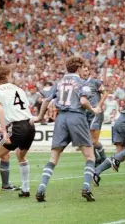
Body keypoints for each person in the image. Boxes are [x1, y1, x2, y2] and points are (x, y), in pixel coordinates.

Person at [33, 57, 101, 202]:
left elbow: (46, 100)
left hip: (61, 119)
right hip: (76, 117)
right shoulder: (83, 83)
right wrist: (93, 109)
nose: (84, 70)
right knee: (89, 156)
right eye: (83, 67)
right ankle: (86, 187)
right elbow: (83, 101)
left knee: (53, 157)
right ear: (78, 68)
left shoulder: (58, 83)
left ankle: (41, 188)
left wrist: (39, 117)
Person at [0, 66, 36, 200]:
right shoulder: (19, 89)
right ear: (7, 75)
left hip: (16, 127)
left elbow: (0, 109)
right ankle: (25, 189)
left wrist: (4, 131)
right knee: (21, 155)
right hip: (30, 126)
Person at [80, 65, 109, 167]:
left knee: (92, 140)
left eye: (86, 70)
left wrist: (98, 105)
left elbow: (105, 93)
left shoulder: (95, 82)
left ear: (89, 72)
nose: (85, 72)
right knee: (90, 140)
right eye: (83, 70)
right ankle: (101, 158)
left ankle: (99, 159)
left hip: (95, 113)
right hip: (85, 114)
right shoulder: (78, 83)